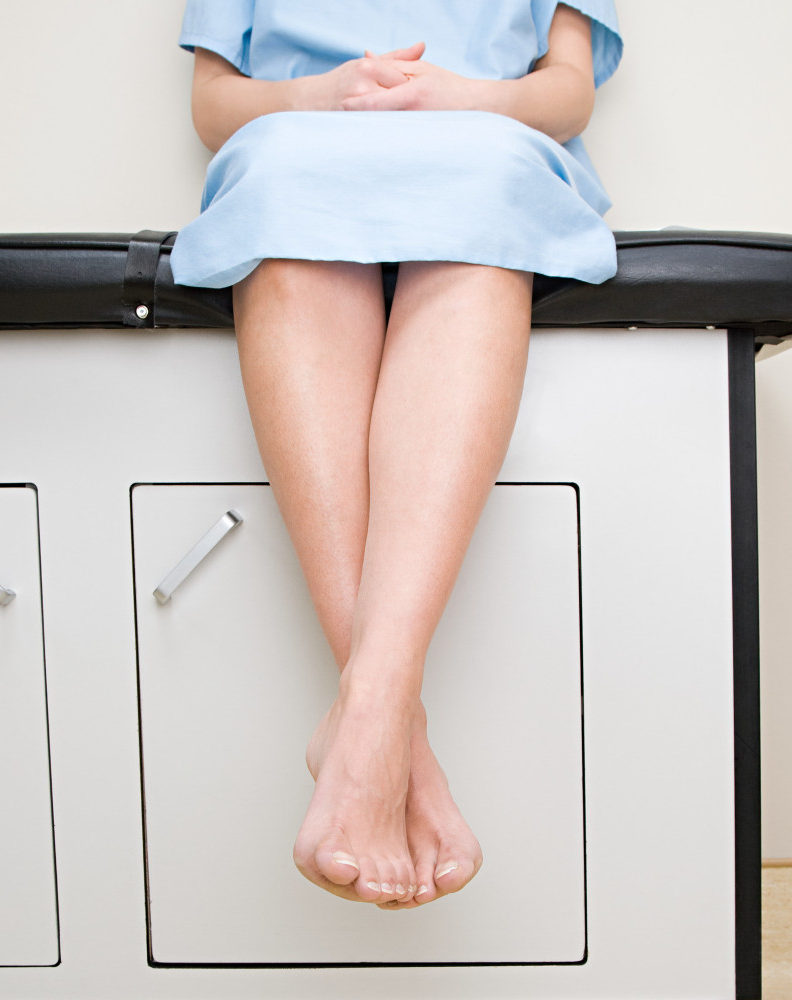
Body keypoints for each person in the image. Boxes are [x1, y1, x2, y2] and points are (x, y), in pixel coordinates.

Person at [171, 0, 623, 910]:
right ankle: (394, 739)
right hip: (304, 141)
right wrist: (318, 94)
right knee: (284, 171)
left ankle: (366, 717)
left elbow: (568, 94)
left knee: (487, 171)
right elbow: (214, 103)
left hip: (485, 139)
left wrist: (463, 97)